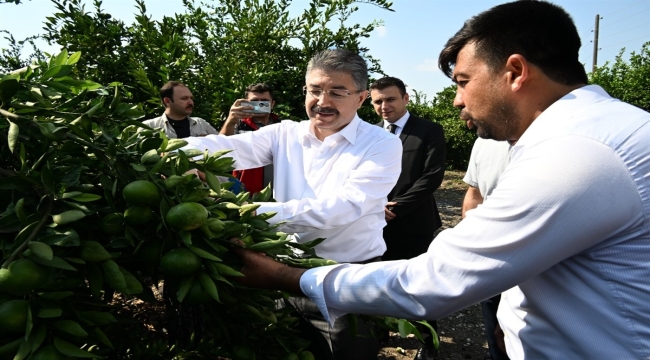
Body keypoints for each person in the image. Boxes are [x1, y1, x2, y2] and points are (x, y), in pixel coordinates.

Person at [231, 1, 650, 359]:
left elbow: (437, 280)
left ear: (515, 72)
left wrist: (287, 277)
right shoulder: (590, 132)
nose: (457, 99)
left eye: (464, 82)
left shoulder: (580, 151)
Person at [182, 49, 402, 360]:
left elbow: (342, 208)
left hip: (344, 280)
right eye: (314, 90)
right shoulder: (286, 134)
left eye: (337, 92)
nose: (322, 101)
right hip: (279, 273)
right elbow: (227, 146)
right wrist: (173, 151)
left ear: (361, 98)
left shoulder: (382, 145)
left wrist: (250, 213)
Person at [370, 76, 446, 360]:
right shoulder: (370, 132)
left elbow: (432, 176)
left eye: (390, 99)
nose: (383, 106)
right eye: (377, 101)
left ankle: (429, 342)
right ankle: (379, 334)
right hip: (375, 222)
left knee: (419, 285)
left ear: (405, 98)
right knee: (377, 281)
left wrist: (397, 207)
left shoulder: (428, 130)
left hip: (414, 224)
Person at [462, 137, 511, 360]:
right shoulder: (484, 142)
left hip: (540, 264)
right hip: (492, 257)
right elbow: (475, 193)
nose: (458, 102)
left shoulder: (559, 139)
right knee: (496, 331)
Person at [219, 83, 280, 194]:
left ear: (272, 104)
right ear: (246, 103)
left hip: (278, 190)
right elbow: (220, 149)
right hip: (246, 191)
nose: (259, 104)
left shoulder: (281, 127)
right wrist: (230, 121)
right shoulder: (238, 125)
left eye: (264, 101)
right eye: (255, 101)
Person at [142, 81, 218, 139]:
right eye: (184, 98)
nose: (190, 102)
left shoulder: (201, 124)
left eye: (191, 98)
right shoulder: (149, 127)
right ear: (167, 101)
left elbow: (221, 144)